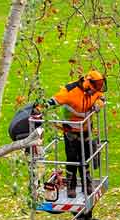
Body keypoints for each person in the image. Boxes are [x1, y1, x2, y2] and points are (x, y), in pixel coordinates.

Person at [42, 70, 105, 199]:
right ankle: (71, 184)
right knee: (72, 158)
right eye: (94, 88)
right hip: (70, 131)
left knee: (85, 157)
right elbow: (53, 101)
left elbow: (101, 97)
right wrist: (39, 108)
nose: (96, 91)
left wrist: (99, 104)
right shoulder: (70, 91)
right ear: (87, 83)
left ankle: (86, 182)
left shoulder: (96, 90)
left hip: (86, 129)